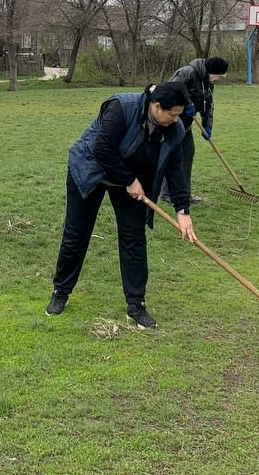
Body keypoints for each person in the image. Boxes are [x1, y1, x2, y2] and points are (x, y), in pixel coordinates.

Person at [46, 82, 197, 329]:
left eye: (179, 114)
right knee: (77, 233)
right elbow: (101, 148)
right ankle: (60, 292)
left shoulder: (175, 128)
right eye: (172, 114)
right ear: (156, 106)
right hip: (90, 171)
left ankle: (136, 306)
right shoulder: (121, 107)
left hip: (132, 181)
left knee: (134, 237)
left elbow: (176, 168)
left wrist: (183, 210)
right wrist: (129, 180)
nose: (176, 119)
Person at [165, 56, 228, 201]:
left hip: (185, 125)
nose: (220, 80)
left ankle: (184, 194)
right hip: (171, 122)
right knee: (173, 157)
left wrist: (207, 124)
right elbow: (169, 91)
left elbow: (208, 104)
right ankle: (169, 193)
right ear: (211, 72)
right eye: (219, 77)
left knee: (188, 154)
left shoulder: (208, 82)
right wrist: (186, 104)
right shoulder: (187, 73)